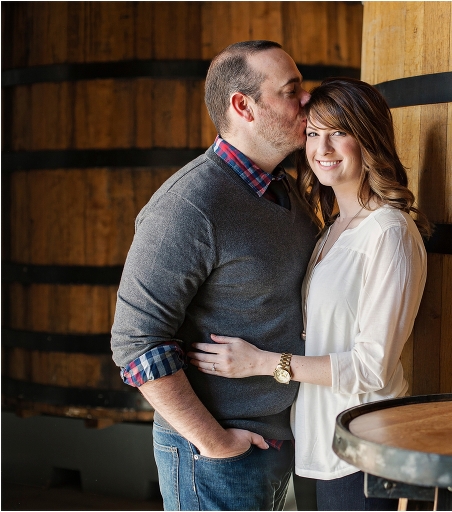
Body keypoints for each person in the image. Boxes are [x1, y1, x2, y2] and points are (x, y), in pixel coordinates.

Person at [188, 77, 431, 511]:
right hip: (315, 442)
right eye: (314, 134)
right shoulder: (331, 229)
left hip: (363, 444)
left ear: (368, 137)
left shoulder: (389, 232)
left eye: (339, 132)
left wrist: (261, 364)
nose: (323, 149)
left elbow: (372, 368)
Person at [110, 40, 319, 511]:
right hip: (216, 457)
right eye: (291, 90)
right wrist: (216, 442)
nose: (307, 99)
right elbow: (136, 343)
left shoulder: (285, 190)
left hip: (279, 446)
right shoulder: (189, 205)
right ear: (243, 106)